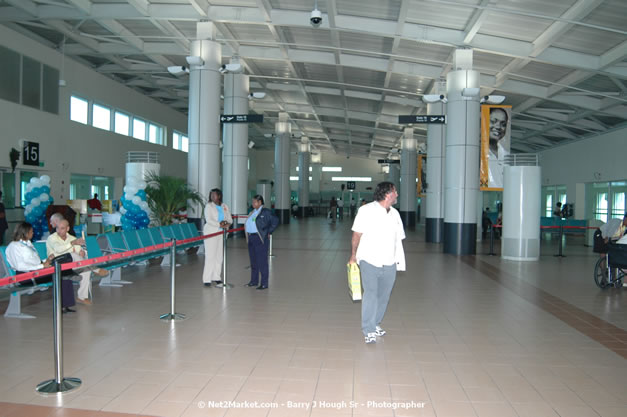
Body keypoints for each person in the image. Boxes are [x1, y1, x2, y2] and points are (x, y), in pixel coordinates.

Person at [349, 182, 406, 344]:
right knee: (371, 294)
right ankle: (368, 329)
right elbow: (356, 235)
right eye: (395, 192)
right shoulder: (366, 211)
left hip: (390, 262)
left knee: (384, 296)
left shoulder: (395, 214)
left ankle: (375, 323)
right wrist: (353, 255)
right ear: (387, 194)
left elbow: (399, 239)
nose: (397, 194)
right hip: (369, 260)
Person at [6, 222, 76, 313]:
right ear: (25, 233)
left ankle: (65, 304)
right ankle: (72, 274)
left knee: (64, 260)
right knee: (62, 273)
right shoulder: (14, 246)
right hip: (26, 275)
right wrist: (42, 266)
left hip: (37, 270)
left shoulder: (28, 243)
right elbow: (20, 266)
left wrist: (46, 261)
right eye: (31, 231)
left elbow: (33, 261)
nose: (33, 233)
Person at [46, 219, 108, 305]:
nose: (59, 230)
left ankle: (82, 297)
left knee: (86, 270)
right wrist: (72, 244)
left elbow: (79, 250)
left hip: (71, 264)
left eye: (62, 228)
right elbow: (58, 249)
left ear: (67, 228)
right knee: (73, 254)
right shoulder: (52, 238)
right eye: (57, 228)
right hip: (56, 264)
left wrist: (81, 252)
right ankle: (95, 269)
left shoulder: (72, 238)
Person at [244, 195, 279, 290]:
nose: (253, 203)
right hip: (251, 238)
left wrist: (268, 231)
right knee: (253, 261)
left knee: (262, 262)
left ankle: (264, 283)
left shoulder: (265, 212)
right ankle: (254, 281)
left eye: (254, 202)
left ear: (260, 202)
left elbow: (275, 221)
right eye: (252, 202)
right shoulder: (252, 212)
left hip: (259, 238)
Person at [202, 188, 232, 287]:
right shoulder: (208, 206)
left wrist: (227, 223)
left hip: (222, 233)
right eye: (211, 195)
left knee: (219, 256)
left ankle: (216, 277)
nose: (212, 196)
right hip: (211, 233)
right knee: (210, 256)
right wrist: (219, 224)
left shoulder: (224, 206)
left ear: (219, 196)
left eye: (214, 195)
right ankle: (207, 279)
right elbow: (209, 219)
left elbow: (229, 219)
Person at [487, 107, 509, 188]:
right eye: (493, 121)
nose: (498, 127)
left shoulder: (507, 156)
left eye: (503, 124)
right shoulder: (477, 153)